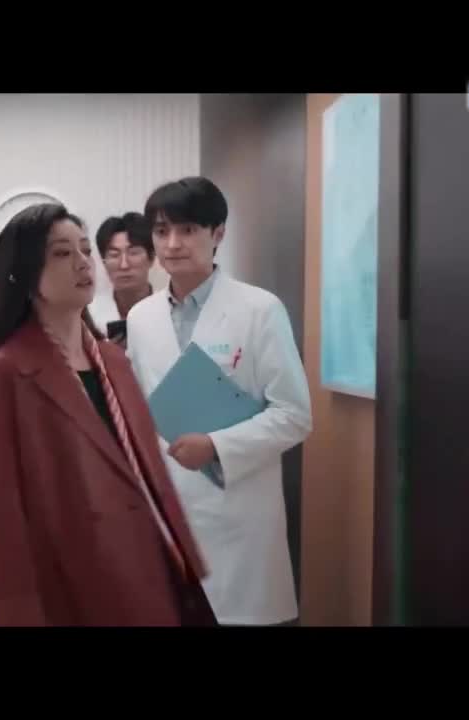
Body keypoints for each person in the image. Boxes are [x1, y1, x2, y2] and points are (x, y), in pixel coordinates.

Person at [0, 202, 215, 626]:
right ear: (25, 273)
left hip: (150, 567)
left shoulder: (112, 360)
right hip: (72, 581)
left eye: (85, 249)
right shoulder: (3, 372)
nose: (83, 263)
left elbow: (149, 474)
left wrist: (185, 564)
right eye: (62, 253)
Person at [126, 177, 312, 626]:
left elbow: (294, 415)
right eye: (162, 231)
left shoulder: (259, 310)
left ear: (218, 233)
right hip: (169, 516)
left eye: (188, 230)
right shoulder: (141, 317)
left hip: (238, 517)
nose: (173, 244)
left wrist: (215, 445)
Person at [88, 212, 155, 346]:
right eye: (114, 255)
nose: (124, 265)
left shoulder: (173, 310)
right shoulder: (89, 314)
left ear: (151, 258)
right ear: (104, 262)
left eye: (133, 253)